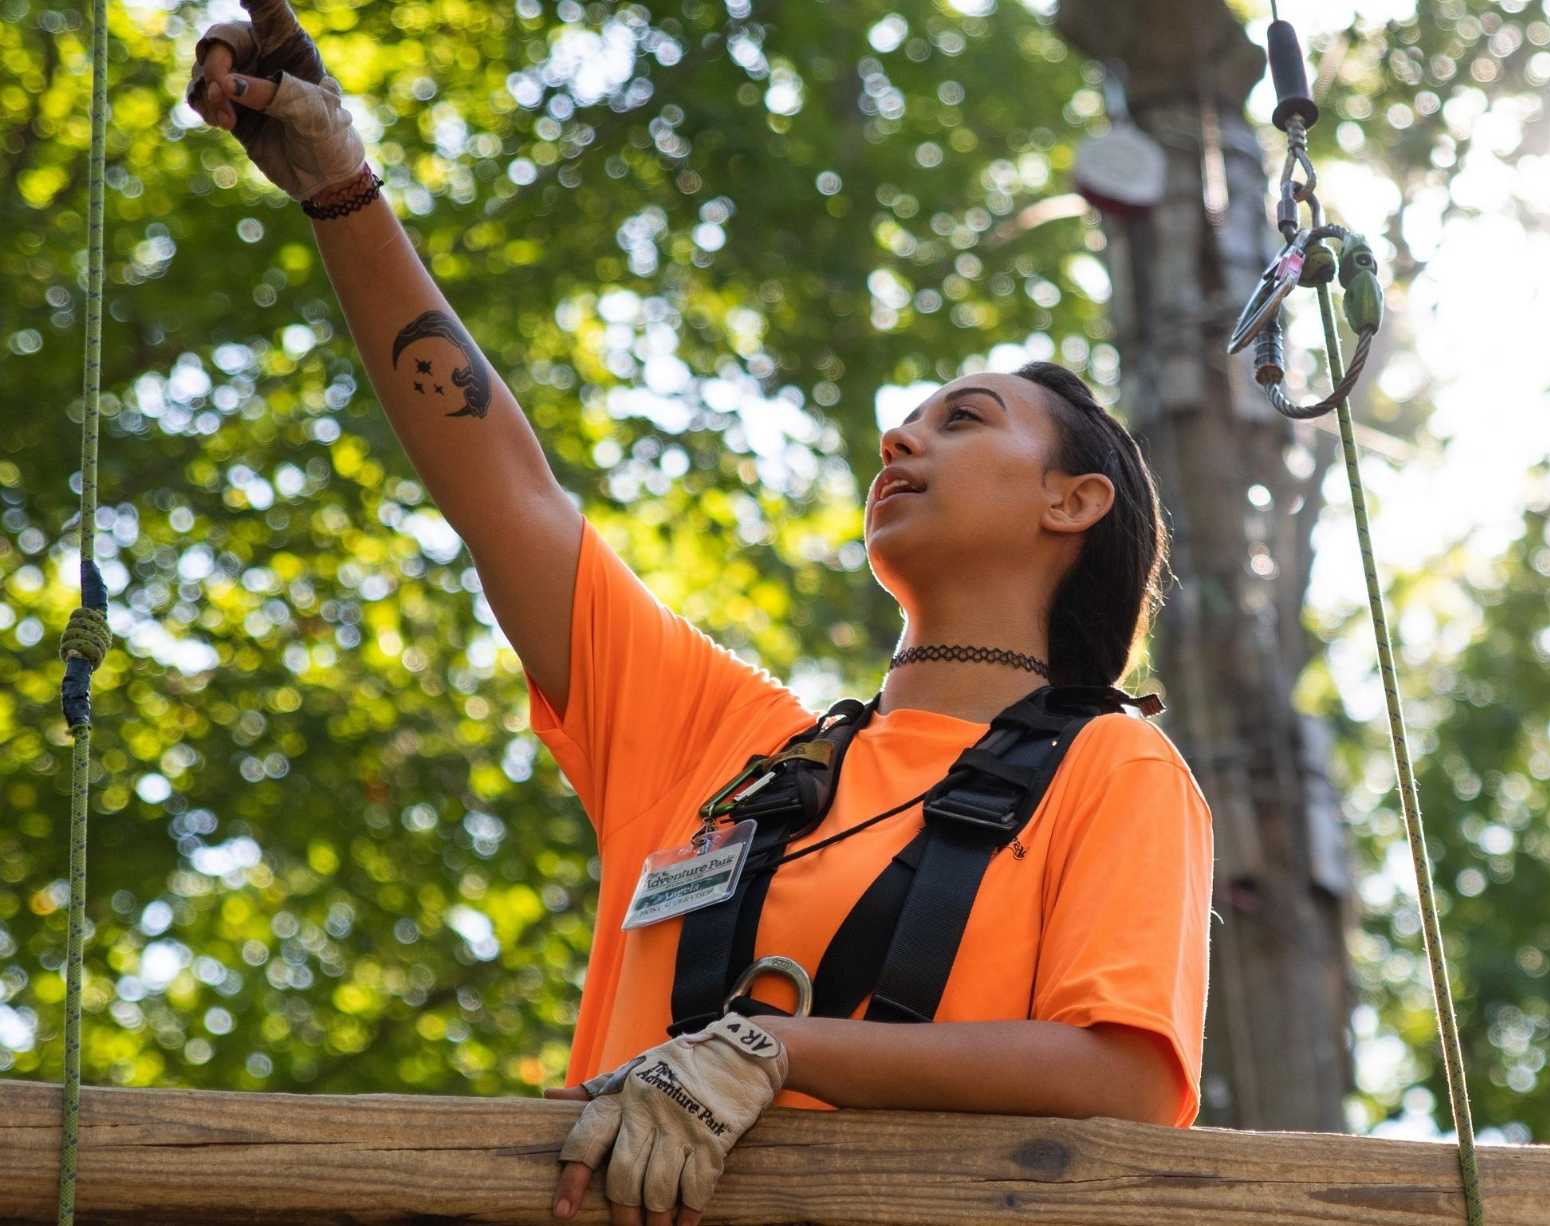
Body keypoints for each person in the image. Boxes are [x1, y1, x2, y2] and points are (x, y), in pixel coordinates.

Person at [185, 6, 1215, 1225]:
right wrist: (339, 185)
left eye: (965, 418)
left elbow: (1123, 1074)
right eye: (911, 418)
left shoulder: (1112, 768)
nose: (899, 436)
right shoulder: (724, 749)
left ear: (1074, 499)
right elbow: (499, 482)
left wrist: (773, 1048)